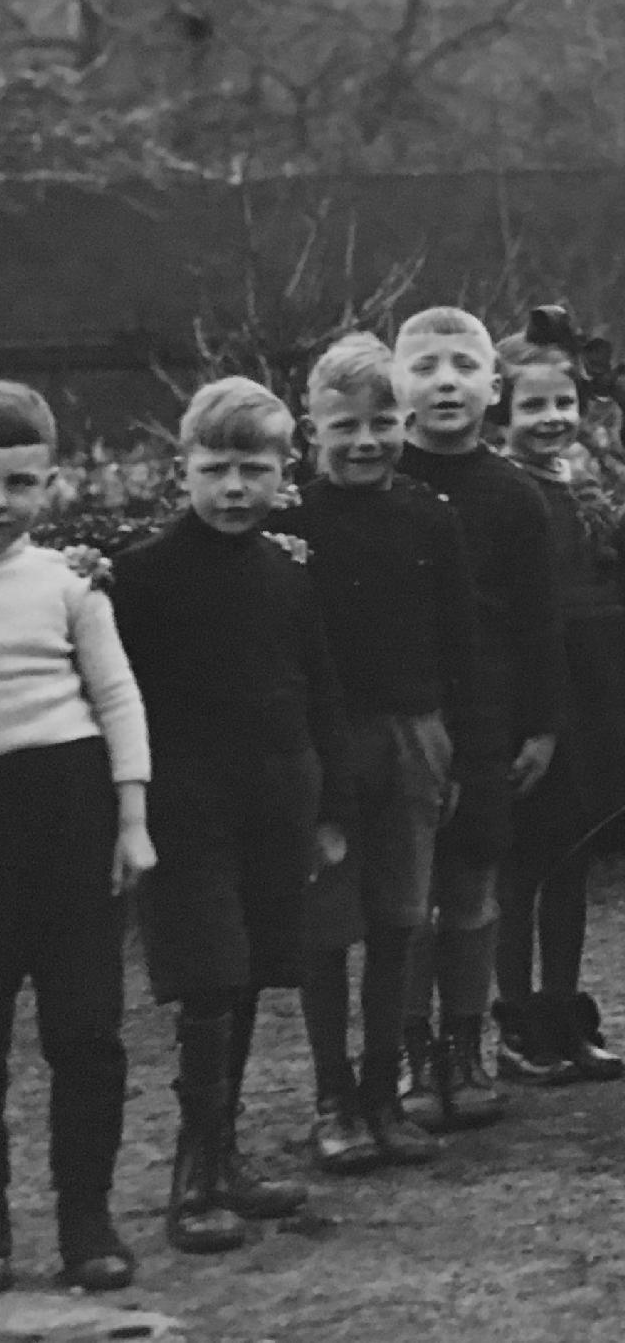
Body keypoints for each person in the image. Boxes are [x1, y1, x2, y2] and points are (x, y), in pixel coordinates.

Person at [0, 380, 155, 1297]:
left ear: (49, 485)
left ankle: (87, 1219)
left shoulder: (67, 583)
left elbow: (117, 696)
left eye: (20, 483)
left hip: (74, 819)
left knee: (86, 1034)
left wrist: (132, 820)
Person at [110, 376, 354, 1254]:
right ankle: (191, 1180)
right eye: (215, 469)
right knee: (209, 979)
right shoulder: (141, 575)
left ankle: (225, 1159)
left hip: (273, 802)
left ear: (285, 471)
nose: (235, 488)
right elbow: (118, 701)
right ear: (184, 468)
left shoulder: (286, 574)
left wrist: (330, 810)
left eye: (255, 469)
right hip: (185, 809)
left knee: (248, 974)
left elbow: (319, 689)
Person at [296, 333, 500, 1164]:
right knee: (324, 928)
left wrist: (466, 754)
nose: (365, 441)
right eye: (345, 425)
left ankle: (384, 1092)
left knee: (399, 919)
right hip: (324, 744)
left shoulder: (428, 516)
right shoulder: (290, 520)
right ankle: (332, 1099)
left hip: (415, 736)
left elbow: (463, 645)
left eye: (382, 423)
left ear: (405, 421)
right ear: (313, 425)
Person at [392, 307, 565, 1119]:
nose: (446, 383)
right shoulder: (378, 480)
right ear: (397, 383)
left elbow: (539, 620)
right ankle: (408, 1054)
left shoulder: (514, 494)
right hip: (401, 718)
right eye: (425, 367)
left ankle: (465, 1051)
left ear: (494, 386)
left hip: (488, 721)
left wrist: (543, 724)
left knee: (471, 887)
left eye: (464, 366)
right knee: (403, 899)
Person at [492, 324, 624, 1080]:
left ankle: (565, 1012)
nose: (552, 418)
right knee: (520, 866)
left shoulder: (585, 485)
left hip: (595, 691)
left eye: (564, 402)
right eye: (533, 405)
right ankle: (517, 1025)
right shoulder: (507, 493)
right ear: (502, 412)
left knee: (572, 858)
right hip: (535, 695)